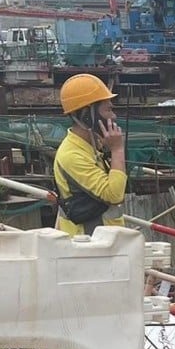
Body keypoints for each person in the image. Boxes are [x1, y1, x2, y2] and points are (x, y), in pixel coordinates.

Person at [53, 73, 127, 236]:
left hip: (107, 243)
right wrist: (117, 150)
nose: (113, 116)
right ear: (87, 114)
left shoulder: (90, 147)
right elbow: (114, 195)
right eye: (108, 109)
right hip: (88, 246)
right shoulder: (72, 155)